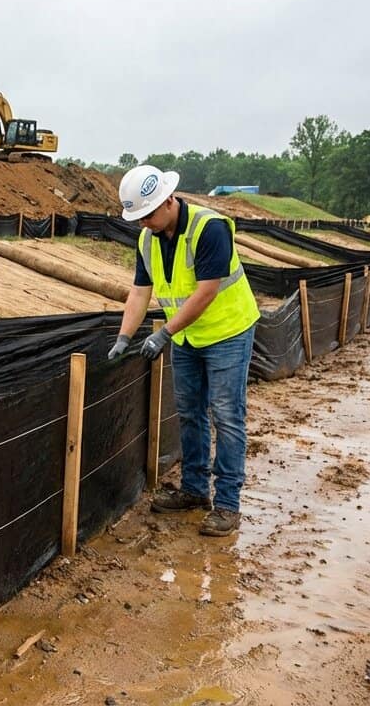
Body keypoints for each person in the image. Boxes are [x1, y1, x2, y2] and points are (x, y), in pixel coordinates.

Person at [106, 165, 260, 536]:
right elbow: (141, 291)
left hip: (227, 332)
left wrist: (164, 333)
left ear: (168, 201)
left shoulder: (210, 228)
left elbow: (207, 290)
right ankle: (194, 490)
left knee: (226, 415)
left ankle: (227, 503)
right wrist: (124, 337)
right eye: (138, 217)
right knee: (189, 413)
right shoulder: (147, 240)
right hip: (188, 338)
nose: (144, 224)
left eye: (148, 215)